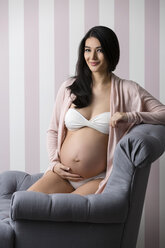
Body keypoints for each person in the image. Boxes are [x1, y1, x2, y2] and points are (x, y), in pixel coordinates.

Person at [28, 26, 165, 195]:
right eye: (87, 50)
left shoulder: (128, 89)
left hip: (97, 179)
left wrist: (130, 116)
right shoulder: (70, 87)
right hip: (62, 175)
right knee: (22, 205)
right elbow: (53, 131)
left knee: (65, 212)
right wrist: (55, 164)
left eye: (99, 50)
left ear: (111, 52)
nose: (92, 57)